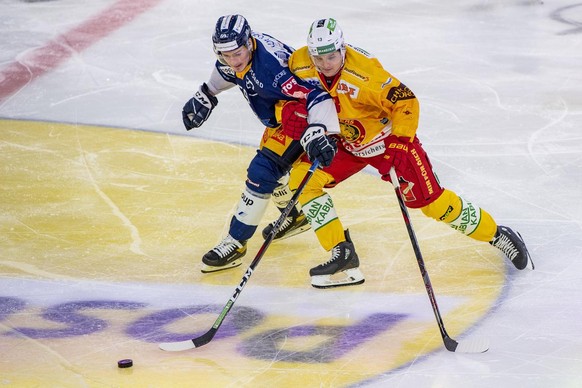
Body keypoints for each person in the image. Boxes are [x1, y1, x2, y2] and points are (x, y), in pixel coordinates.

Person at [268, 18, 534, 288]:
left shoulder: (366, 74)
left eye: (331, 56)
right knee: (303, 180)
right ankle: (342, 252)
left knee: (432, 204)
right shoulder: (300, 63)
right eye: (318, 57)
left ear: (342, 49)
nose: (324, 64)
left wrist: (401, 141)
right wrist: (287, 111)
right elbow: (286, 96)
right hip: (344, 145)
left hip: (386, 143)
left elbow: (406, 100)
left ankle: (497, 234)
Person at [183, 14, 338, 273]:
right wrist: (207, 92)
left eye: (237, 53)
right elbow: (228, 71)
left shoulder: (273, 70)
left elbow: (316, 93)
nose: (233, 60)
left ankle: (236, 242)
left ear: (249, 43)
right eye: (226, 55)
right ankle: (293, 216)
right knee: (271, 171)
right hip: (281, 119)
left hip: (301, 118)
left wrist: (319, 130)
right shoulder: (237, 54)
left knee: (262, 172)